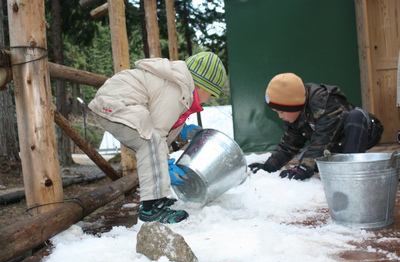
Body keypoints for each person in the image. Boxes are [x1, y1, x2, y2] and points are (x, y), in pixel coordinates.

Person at [88, 52, 226, 223]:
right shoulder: (176, 90)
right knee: (149, 142)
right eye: (211, 94)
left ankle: (157, 200)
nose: (210, 98)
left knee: (150, 140)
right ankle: (151, 209)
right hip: (116, 104)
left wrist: (179, 130)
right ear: (202, 86)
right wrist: (165, 165)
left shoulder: (180, 87)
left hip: (120, 104)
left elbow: (160, 127)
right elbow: (157, 134)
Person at [249, 73, 383, 180]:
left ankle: (350, 171)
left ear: (294, 105)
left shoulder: (323, 102)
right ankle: (339, 165)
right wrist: (269, 166)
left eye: (282, 111)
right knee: (305, 158)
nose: (280, 116)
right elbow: (289, 145)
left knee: (355, 116)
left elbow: (323, 139)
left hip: (365, 130)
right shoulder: (296, 114)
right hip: (337, 141)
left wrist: (305, 168)